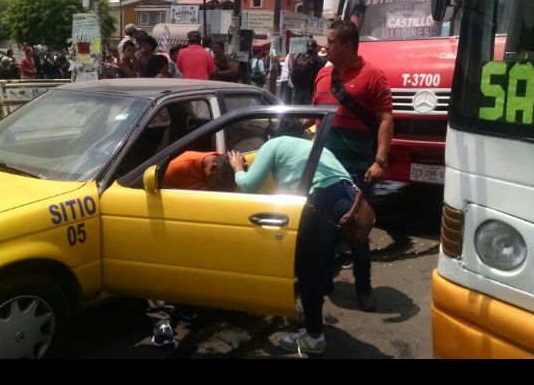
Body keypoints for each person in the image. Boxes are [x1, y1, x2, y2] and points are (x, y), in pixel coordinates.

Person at [226, 118, 355, 355]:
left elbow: (248, 185)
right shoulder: (311, 146)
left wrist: (237, 167)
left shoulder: (272, 145)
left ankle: (314, 337)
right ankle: (312, 312)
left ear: (268, 137)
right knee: (322, 262)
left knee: (307, 271)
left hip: (321, 201)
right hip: (348, 200)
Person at [312, 20, 394, 312]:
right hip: (324, 168)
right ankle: (324, 279)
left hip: (357, 168)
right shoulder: (322, 76)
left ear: (347, 45)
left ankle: (363, 287)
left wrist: (379, 161)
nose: (326, 46)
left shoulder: (373, 76)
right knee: (322, 228)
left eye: (331, 42)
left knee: (356, 230)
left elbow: (385, 120)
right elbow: (317, 118)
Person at [147, 150, 237, 346]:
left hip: (196, 226)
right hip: (165, 224)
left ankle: (189, 302)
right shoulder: (179, 167)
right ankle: (161, 321)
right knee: (160, 263)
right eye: (218, 186)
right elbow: (150, 200)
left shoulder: (227, 167)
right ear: (212, 169)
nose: (219, 189)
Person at [291, 39, 324, 105]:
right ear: (316, 48)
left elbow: (293, 71)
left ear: (306, 47)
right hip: (310, 90)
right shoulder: (318, 60)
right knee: (308, 113)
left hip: (297, 89)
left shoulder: (299, 56)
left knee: (296, 112)